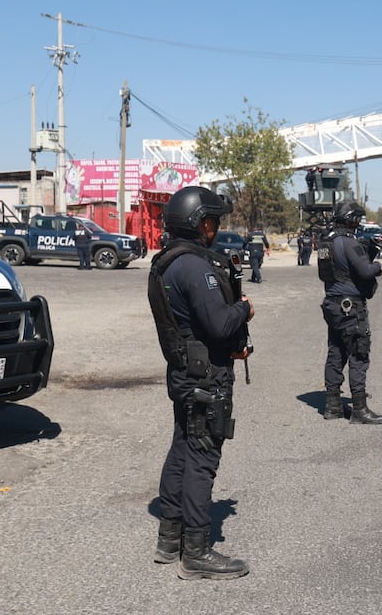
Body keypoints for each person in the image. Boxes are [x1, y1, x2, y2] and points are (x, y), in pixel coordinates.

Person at [147, 186, 254, 580]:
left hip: (185, 371)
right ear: (199, 222)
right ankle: (196, 551)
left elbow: (192, 325)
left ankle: (168, 539)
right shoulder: (194, 266)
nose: (216, 227)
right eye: (213, 220)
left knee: (181, 449)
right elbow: (219, 322)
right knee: (203, 458)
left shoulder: (165, 262)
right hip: (206, 377)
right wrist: (244, 309)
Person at [317, 201, 382, 424]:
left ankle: (333, 406)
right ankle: (359, 409)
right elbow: (365, 271)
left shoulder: (326, 242)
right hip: (350, 307)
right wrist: (378, 267)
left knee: (336, 352)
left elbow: (337, 270)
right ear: (352, 219)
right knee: (358, 353)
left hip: (332, 305)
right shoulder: (349, 242)